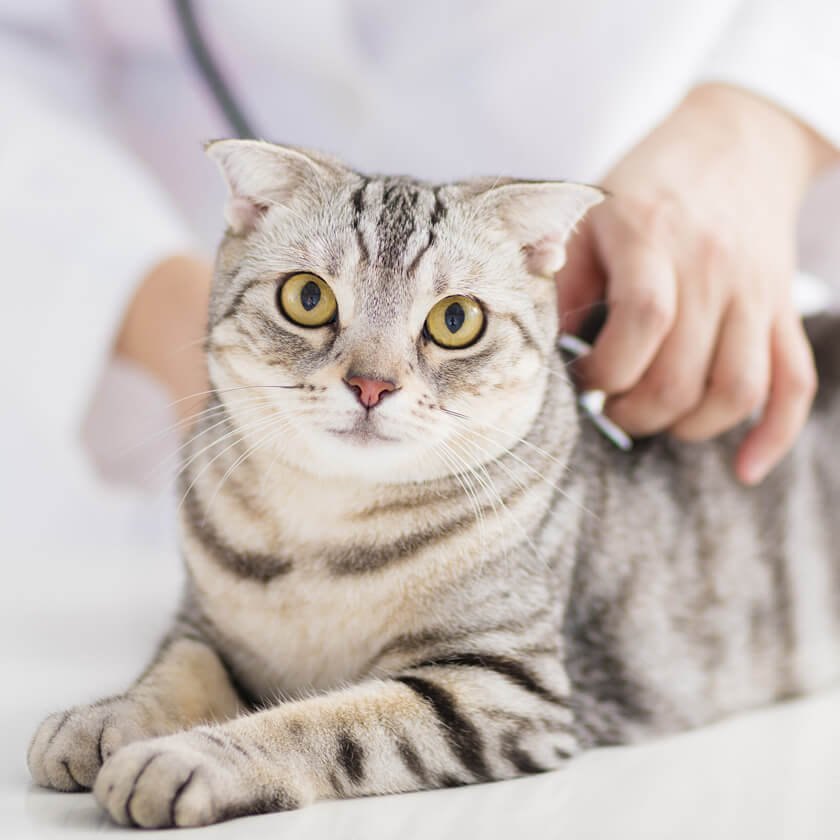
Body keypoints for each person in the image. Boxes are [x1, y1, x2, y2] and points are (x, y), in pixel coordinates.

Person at [2, 0, 839, 522]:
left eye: (454, 318)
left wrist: (765, 118)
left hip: (681, 227)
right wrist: (180, 319)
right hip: (219, 437)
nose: (375, 378)